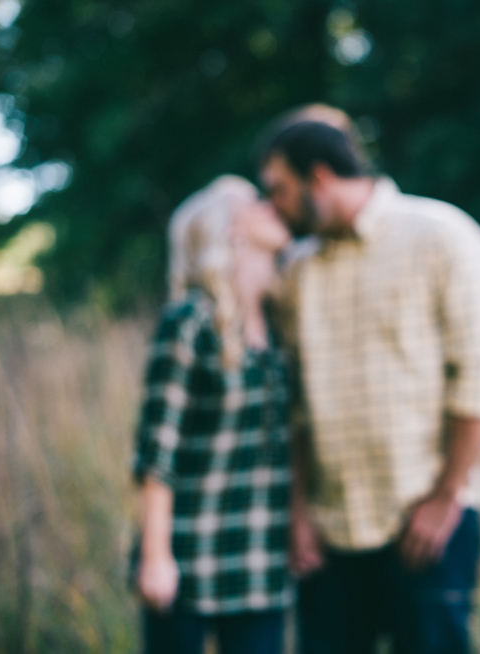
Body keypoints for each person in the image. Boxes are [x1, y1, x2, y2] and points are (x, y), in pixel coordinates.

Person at [259, 119, 480, 654]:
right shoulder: (297, 271)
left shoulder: (443, 237)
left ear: (320, 176)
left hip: (426, 525)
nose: (274, 208)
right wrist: (299, 512)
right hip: (330, 536)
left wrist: (446, 497)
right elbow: (297, 409)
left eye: (279, 190)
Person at [131, 176, 294, 654]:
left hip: (262, 561)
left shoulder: (280, 325)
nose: (272, 206)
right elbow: (156, 450)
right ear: (230, 230)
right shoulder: (189, 321)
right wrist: (156, 557)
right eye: (254, 203)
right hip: (189, 556)